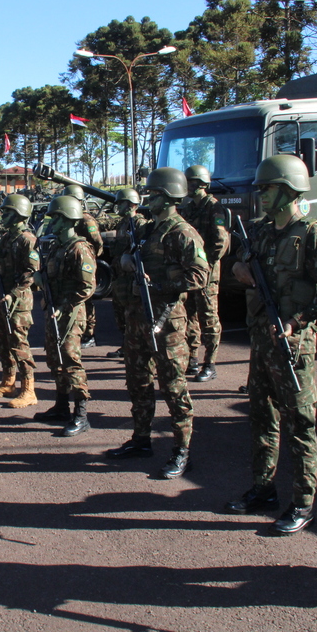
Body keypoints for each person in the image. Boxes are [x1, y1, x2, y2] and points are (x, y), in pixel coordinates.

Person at [225, 154, 317, 536]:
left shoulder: (312, 235)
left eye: (268, 188)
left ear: (290, 190)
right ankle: (263, 488)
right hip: (261, 341)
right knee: (261, 418)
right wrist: (240, 271)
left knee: (300, 425)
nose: (260, 194)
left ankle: (303, 503)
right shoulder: (259, 232)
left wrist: (296, 321)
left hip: (295, 347)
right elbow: (241, 264)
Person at [106, 168, 209, 478]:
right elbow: (129, 257)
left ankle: (182, 450)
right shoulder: (149, 230)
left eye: (154, 194)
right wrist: (126, 263)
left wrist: (157, 284)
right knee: (138, 382)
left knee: (174, 386)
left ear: (169, 197)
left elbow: (199, 276)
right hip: (139, 318)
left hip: (167, 322)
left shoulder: (182, 232)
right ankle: (141, 439)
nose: (148, 199)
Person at [33, 195, 97, 437]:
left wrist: (65, 305)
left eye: (57, 218)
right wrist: (40, 280)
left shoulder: (79, 248)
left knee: (70, 360)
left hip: (70, 313)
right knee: (55, 358)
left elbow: (87, 286)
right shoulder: (57, 246)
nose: (53, 222)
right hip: (54, 310)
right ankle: (61, 406)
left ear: (69, 219)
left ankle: (81, 414)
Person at [0, 193, 39, 408]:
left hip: (18, 301)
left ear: (19, 214)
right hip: (1, 298)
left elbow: (32, 272)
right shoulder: (7, 238)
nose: (3, 215)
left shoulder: (27, 240)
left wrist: (12, 293)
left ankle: (29, 390)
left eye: (8, 212)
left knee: (19, 344)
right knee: (3, 341)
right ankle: (8, 382)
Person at [178, 165, 231, 382]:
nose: (187, 187)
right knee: (188, 316)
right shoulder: (189, 208)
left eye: (191, 183)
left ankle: (210, 364)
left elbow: (220, 242)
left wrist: (204, 265)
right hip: (191, 272)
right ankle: (192, 359)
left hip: (207, 273)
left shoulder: (214, 209)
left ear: (201, 184)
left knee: (208, 318)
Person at [61, 185, 103, 349]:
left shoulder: (86, 219)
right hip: (74, 260)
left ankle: (89, 334)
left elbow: (97, 242)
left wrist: (89, 258)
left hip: (84, 260)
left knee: (87, 298)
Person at [106, 189, 145, 360]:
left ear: (131, 204)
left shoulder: (139, 224)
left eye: (121, 203)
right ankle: (126, 346)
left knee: (133, 315)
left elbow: (143, 248)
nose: (118, 206)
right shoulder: (122, 224)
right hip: (120, 277)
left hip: (131, 278)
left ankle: (136, 350)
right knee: (120, 314)